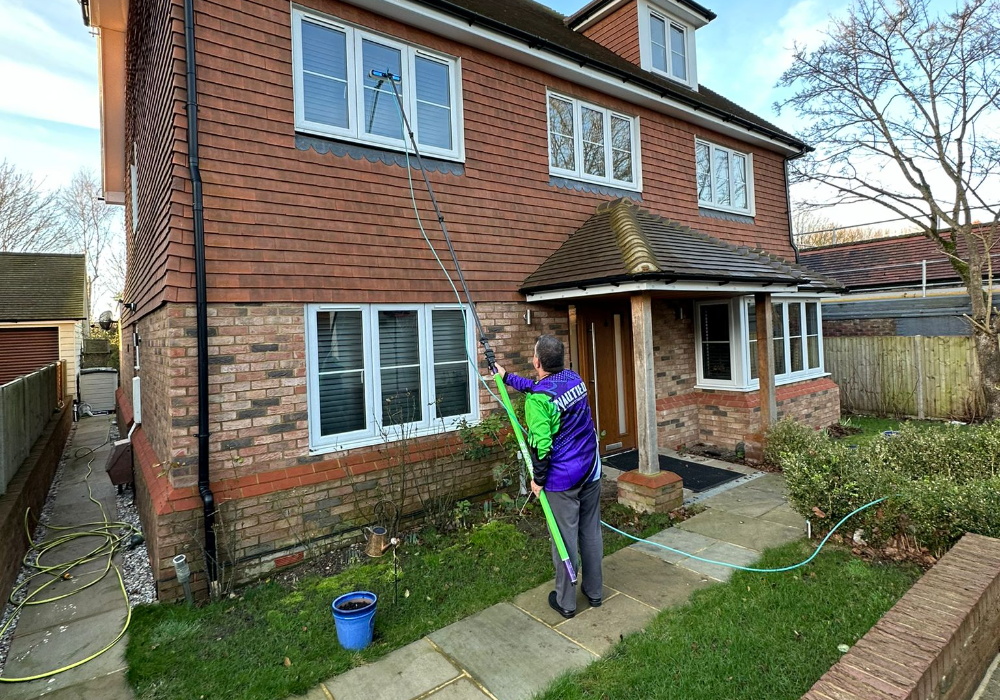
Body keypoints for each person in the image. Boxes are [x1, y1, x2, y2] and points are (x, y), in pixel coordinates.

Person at [493, 334, 603, 619]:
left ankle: (566, 602)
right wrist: (507, 377)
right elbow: (540, 388)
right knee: (590, 532)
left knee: (564, 539)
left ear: (537, 361)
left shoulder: (537, 402)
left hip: (563, 480)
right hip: (591, 468)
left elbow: (542, 447)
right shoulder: (574, 379)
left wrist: (538, 481)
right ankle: (594, 592)